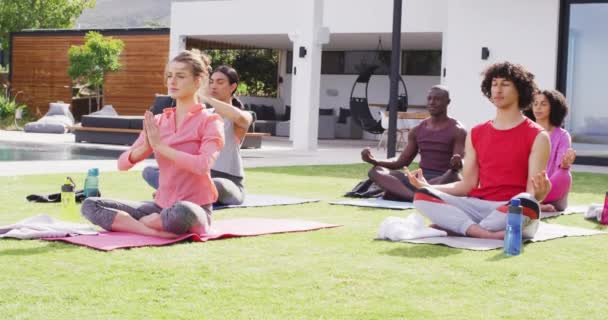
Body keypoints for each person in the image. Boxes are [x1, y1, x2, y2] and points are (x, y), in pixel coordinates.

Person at [81, 50, 224, 238]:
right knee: (91, 205)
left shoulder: (210, 120)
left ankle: (152, 223)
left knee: (182, 211)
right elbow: (122, 164)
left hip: (194, 209)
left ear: (198, 81)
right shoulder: (157, 121)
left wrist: (161, 148)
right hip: (159, 206)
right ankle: (150, 229)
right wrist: (145, 148)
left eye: (180, 76)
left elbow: (202, 165)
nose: (172, 82)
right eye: (169, 76)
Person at [407, 61, 551, 240]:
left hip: (510, 206)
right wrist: (428, 187)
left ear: (520, 90)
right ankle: (483, 232)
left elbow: (532, 191)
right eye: (494, 84)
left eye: (505, 84)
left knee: (526, 203)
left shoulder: (538, 136)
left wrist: (539, 195)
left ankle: (463, 227)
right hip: (476, 206)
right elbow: (467, 185)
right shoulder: (476, 133)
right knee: (421, 196)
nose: (498, 90)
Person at [142, 65, 253, 206]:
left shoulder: (243, 116)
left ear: (233, 87)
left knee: (217, 184)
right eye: (211, 82)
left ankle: (176, 193)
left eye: (220, 82)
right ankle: (179, 192)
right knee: (149, 171)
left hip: (229, 183)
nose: (213, 86)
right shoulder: (202, 115)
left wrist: (205, 96)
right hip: (196, 178)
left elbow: (240, 119)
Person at [360, 85, 467, 202]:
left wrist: (457, 163)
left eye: (437, 99)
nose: (432, 102)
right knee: (376, 171)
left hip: (443, 178)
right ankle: (414, 197)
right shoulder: (417, 130)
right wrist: (374, 161)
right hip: (419, 179)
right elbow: (401, 162)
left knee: (453, 175)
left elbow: (459, 163)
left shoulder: (458, 130)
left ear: (448, 102)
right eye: (429, 99)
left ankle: (411, 193)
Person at [524, 90, 576, 212]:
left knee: (565, 174)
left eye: (543, 104)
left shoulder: (562, 135)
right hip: (526, 184)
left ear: (554, 107)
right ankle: (536, 203)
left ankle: (537, 201)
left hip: (549, 184)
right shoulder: (525, 131)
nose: (538, 107)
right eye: (535, 103)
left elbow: (561, 167)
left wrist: (565, 164)